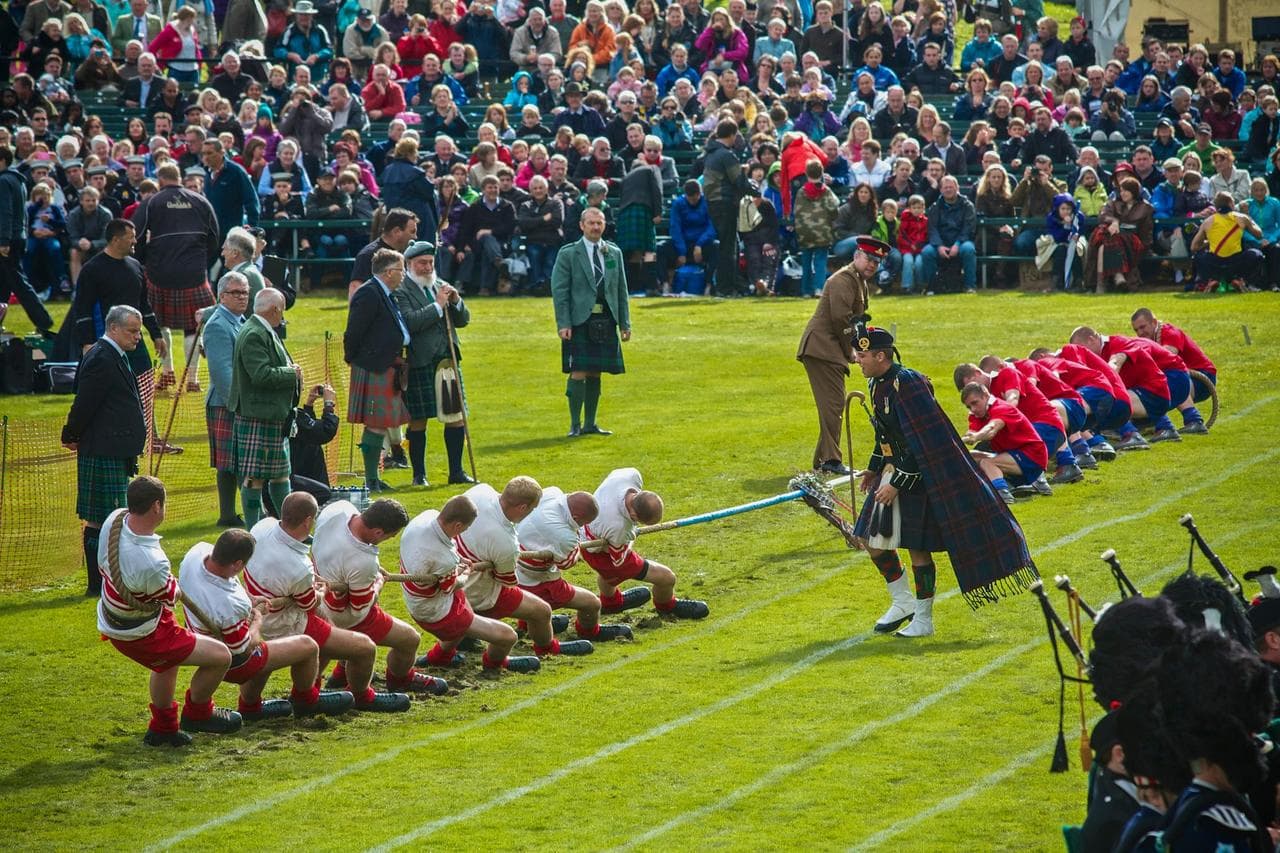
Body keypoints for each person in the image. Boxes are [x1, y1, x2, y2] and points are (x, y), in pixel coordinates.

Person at [850, 325, 1038, 638]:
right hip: (891, 472)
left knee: (917, 548)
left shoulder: (906, 383)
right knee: (869, 537)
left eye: (863, 355)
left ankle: (923, 620)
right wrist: (873, 468)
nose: (857, 360)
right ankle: (902, 602)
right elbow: (886, 433)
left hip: (919, 475)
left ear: (880, 355)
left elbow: (924, 439)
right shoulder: (877, 382)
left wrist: (897, 481)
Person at [91, 476, 242, 746]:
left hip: (113, 616)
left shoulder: (114, 520)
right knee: (221, 656)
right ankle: (199, 714)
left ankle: (163, 728)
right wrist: (172, 584)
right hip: (142, 631)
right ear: (157, 506)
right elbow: (170, 596)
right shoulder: (152, 562)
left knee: (167, 664)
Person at [246, 492, 411, 713]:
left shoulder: (262, 527)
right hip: (287, 621)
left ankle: (309, 690)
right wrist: (325, 592)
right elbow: (310, 605)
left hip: (261, 610)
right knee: (365, 648)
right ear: (307, 521)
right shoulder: (299, 567)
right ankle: (356, 697)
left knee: (330, 634)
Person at [178, 529, 355, 721]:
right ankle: (306, 701)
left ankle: (251, 708)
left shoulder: (196, 553)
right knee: (308, 646)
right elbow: (245, 648)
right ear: (237, 563)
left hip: (200, 638)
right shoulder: (230, 604)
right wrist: (257, 620)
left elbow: (228, 581)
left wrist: (251, 597)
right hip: (233, 660)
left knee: (271, 651)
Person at [313, 496, 446, 695]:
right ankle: (397, 680)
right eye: (389, 536)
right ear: (377, 532)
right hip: (341, 612)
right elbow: (359, 609)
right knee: (410, 639)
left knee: (327, 648)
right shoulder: (363, 560)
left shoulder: (338, 510)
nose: (389, 540)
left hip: (318, 600)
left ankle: (335, 676)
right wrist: (377, 584)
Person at [62, 305, 148, 597]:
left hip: (114, 448)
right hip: (102, 450)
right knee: (101, 518)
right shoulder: (101, 357)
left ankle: (110, 579)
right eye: (132, 331)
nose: (138, 337)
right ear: (113, 328)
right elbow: (85, 402)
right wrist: (71, 434)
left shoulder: (115, 355)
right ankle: (96, 586)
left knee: (112, 517)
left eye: (139, 331)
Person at [400, 495, 541, 674]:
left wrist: (458, 558)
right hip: (436, 611)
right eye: (464, 529)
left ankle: (439, 657)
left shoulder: (425, 518)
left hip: (420, 597)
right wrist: (465, 573)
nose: (462, 533)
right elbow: (454, 586)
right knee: (507, 636)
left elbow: (444, 548)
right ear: (457, 525)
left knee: (467, 617)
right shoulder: (443, 559)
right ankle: (495, 664)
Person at [796, 236, 881, 475]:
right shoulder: (843, 280)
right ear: (856, 256)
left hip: (827, 349)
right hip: (822, 348)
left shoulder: (858, 281)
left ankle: (823, 459)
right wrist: (851, 351)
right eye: (869, 258)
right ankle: (831, 460)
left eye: (877, 262)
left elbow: (856, 321)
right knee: (833, 405)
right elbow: (841, 321)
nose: (872, 265)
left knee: (832, 406)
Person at [132, 163, 219, 392]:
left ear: (160, 180)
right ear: (180, 177)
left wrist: (143, 262)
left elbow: (136, 236)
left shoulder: (152, 202)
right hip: (194, 273)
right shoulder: (201, 201)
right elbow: (214, 239)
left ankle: (168, 373)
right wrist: (201, 263)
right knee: (193, 326)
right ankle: (192, 380)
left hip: (159, 273)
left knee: (160, 325)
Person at [393, 240, 473, 487]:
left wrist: (457, 302)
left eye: (429, 262)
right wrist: (438, 305)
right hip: (421, 361)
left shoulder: (440, 285)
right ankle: (419, 475)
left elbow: (463, 321)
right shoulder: (401, 290)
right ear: (409, 264)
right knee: (419, 419)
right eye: (421, 263)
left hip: (448, 359)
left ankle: (456, 472)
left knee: (455, 417)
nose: (427, 267)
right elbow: (410, 322)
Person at [578, 467, 708, 619]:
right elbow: (618, 560)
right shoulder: (619, 527)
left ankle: (611, 602)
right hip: (595, 548)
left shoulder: (631, 475)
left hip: (592, 530)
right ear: (633, 514)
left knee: (609, 575)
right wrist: (630, 537)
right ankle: (667, 606)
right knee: (666, 578)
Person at [516, 485, 633, 642]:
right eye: (583, 523)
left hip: (514, 564)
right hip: (537, 579)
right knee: (592, 603)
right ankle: (589, 632)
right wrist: (576, 543)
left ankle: (528, 623)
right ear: (577, 518)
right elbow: (568, 562)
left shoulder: (552, 492)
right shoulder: (565, 537)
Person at [551, 206, 630, 438]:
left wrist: (625, 323)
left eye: (600, 223)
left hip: (606, 319)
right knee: (578, 370)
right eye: (591, 223)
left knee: (597, 371)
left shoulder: (614, 253)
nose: (596, 227)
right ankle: (574, 424)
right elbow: (560, 291)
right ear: (582, 225)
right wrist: (563, 323)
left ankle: (590, 424)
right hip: (578, 321)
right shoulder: (568, 253)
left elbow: (621, 291)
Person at [229, 288, 300, 528]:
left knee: (280, 474)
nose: (283, 317)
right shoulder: (253, 334)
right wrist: (292, 373)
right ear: (275, 309)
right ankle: (253, 529)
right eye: (282, 311)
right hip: (258, 415)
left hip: (271, 414)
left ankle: (289, 527)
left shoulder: (261, 329)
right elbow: (260, 375)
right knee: (254, 477)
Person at [954, 361, 1082, 488]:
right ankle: (1063, 465)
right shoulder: (984, 401)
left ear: (977, 373)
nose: (971, 390)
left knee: (1023, 446)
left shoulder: (1006, 374)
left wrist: (999, 417)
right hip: (1027, 431)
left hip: (1045, 424)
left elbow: (1013, 400)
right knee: (981, 452)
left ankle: (1036, 482)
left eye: (970, 384)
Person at [345, 248, 411, 493]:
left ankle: (374, 478)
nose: (404, 275)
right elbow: (354, 331)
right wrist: (353, 358)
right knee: (376, 424)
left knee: (381, 424)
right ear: (390, 272)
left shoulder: (385, 293)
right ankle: (371, 480)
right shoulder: (369, 294)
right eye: (402, 270)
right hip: (375, 366)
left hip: (387, 365)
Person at [203, 272, 250, 527]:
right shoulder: (218, 325)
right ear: (222, 295)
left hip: (234, 400)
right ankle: (234, 514)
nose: (242, 297)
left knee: (233, 460)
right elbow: (222, 373)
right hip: (226, 401)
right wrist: (241, 405)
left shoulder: (238, 320)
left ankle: (229, 514)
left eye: (245, 292)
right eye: (236, 292)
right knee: (232, 461)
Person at [959, 384, 1049, 504]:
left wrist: (976, 436)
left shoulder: (1002, 408)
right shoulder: (976, 415)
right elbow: (971, 433)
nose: (973, 409)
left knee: (987, 463)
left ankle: (1001, 495)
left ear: (985, 396)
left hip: (1033, 455)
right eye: (969, 407)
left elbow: (991, 429)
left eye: (975, 403)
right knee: (968, 456)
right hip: (1012, 455)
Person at [1130, 307, 1216, 432]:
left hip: (1202, 377)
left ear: (1154, 322)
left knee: (1171, 379)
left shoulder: (1170, 332)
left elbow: (1168, 359)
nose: (1140, 333)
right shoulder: (1148, 341)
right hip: (1187, 378)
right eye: (1136, 330)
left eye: (1143, 327)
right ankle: (1147, 421)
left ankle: (1194, 420)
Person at [0, 146, 55, 337]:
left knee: (18, 283)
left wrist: (3, 241)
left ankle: (43, 320)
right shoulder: (17, 180)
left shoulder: (3, 181)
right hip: (18, 237)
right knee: (4, 284)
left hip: (7, 240)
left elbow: (5, 213)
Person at [700, 119, 750, 294]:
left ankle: (730, 285)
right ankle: (725, 288)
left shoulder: (710, 153)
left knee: (729, 244)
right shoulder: (726, 155)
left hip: (714, 203)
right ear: (732, 135)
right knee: (728, 248)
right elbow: (739, 181)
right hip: (725, 203)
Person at [920, 175, 978, 293]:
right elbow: (932, 229)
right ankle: (931, 287)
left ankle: (970, 286)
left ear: (957, 188)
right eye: (945, 187)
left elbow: (968, 228)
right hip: (941, 243)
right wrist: (939, 246)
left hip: (961, 242)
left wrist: (957, 244)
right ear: (941, 190)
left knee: (969, 249)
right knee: (927, 252)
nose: (948, 189)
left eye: (951, 187)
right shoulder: (935, 207)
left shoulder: (968, 206)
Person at [201, 138, 260, 246]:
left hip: (231, 235)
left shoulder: (236, 172)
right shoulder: (206, 174)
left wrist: (253, 229)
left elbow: (251, 200)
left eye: (210, 153)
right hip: (211, 234)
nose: (206, 157)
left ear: (221, 153)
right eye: (203, 153)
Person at [792, 158, 837, 298]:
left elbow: (796, 212)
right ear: (822, 173)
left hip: (804, 232)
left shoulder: (801, 192)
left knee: (806, 261)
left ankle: (806, 291)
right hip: (822, 232)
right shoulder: (826, 191)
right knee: (820, 261)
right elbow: (834, 208)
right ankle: (819, 288)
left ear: (806, 174)